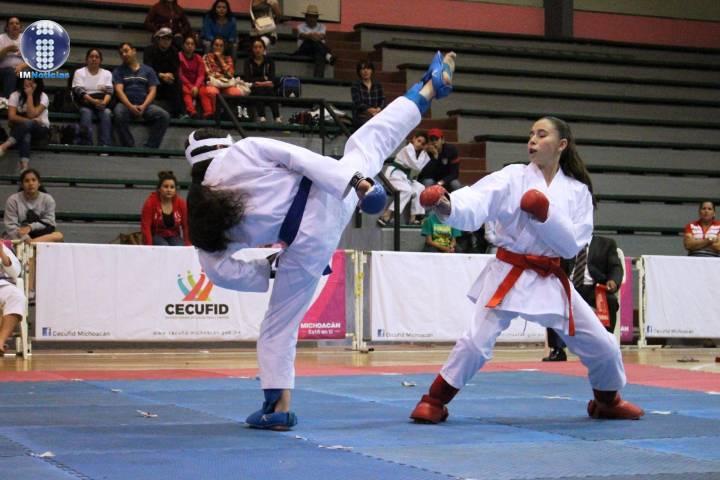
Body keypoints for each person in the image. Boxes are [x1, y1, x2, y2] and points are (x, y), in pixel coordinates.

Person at [185, 51, 456, 430]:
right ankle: (425, 90)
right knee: (368, 143)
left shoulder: (203, 212)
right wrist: (356, 182)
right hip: (326, 197)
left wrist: (269, 268)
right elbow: (300, 159)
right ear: (221, 144)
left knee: (278, 325)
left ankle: (277, 407)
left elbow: (218, 272)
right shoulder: (242, 151)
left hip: (305, 249)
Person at [411, 115, 644, 423]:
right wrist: (447, 205)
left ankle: (608, 400)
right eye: (531, 134)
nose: (532, 139)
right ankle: (434, 400)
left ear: (561, 144)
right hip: (509, 270)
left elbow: (572, 246)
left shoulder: (577, 191)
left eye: (542, 134)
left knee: (603, 345)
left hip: (550, 277)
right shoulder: (513, 177)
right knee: (475, 342)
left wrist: (545, 215)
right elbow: (477, 200)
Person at [545, 235, 624, 361]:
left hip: (594, 288)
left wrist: (613, 281)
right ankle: (558, 350)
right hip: (570, 287)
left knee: (610, 301)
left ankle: (604, 347)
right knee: (553, 299)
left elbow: (616, 267)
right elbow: (558, 266)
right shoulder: (567, 242)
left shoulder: (606, 244)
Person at [112, 42, 170, 149]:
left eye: (126, 51)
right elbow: (119, 91)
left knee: (164, 116)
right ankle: (129, 147)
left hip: (146, 105)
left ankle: (150, 148)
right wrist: (130, 106)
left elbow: (153, 90)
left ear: (134, 51)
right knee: (118, 113)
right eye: (121, 53)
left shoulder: (148, 70)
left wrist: (143, 106)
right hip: (126, 105)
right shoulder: (118, 71)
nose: (124, 54)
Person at [377, 132, 429, 226]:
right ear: (414, 139)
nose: (419, 144)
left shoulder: (416, 153)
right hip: (394, 174)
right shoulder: (408, 149)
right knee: (407, 190)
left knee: (420, 187)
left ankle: (413, 217)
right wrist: (425, 152)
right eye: (419, 141)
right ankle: (387, 214)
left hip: (403, 177)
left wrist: (425, 153)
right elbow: (417, 166)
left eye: (422, 144)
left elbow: (419, 167)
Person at [0, 78, 50, 172]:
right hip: (21, 129)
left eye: (33, 81)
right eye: (28, 79)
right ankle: (24, 167)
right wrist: (30, 121)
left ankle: (4, 146)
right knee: (26, 133)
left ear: (37, 83)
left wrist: (29, 95)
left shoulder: (43, 96)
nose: (30, 82)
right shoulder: (15, 95)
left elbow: (32, 114)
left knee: (28, 126)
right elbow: (11, 117)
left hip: (40, 129)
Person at [4, 168, 63, 244]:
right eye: (27, 181)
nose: (31, 183)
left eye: (34, 180)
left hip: (41, 235)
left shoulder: (48, 199)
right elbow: (11, 226)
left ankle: (31, 243)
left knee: (59, 235)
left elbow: (50, 221)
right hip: (19, 235)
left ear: (39, 183)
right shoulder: (13, 200)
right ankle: (31, 243)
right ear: (22, 185)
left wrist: (30, 227)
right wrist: (25, 237)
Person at [71, 48, 114, 146]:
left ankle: (104, 146)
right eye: (91, 57)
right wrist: (93, 101)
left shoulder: (107, 73)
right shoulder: (79, 72)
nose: (94, 59)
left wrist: (104, 103)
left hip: (102, 103)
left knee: (107, 113)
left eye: (97, 57)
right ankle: (86, 145)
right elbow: (79, 90)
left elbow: (110, 91)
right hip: (85, 102)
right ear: (86, 59)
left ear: (100, 60)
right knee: (86, 113)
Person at [202, 36, 248, 119]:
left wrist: (220, 59)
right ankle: (216, 115)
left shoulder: (228, 58)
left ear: (224, 48)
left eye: (221, 46)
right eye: (216, 45)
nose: (218, 47)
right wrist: (222, 76)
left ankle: (229, 115)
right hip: (213, 83)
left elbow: (230, 74)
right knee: (213, 92)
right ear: (212, 46)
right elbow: (209, 73)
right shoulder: (206, 57)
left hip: (226, 84)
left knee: (236, 93)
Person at [144, 28, 186, 119]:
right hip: (154, 78)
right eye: (164, 38)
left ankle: (179, 112)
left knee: (177, 82)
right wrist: (161, 75)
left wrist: (170, 76)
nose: (166, 41)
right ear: (158, 39)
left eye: (169, 39)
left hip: (167, 80)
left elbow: (175, 69)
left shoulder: (174, 51)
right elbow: (148, 69)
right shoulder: (149, 50)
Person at [141, 170, 190, 246]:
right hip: (156, 236)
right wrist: (149, 247)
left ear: (175, 190)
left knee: (179, 247)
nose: (169, 190)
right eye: (165, 186)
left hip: (174, 236)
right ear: (159, 189)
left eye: (172, 187)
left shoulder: (181, 203)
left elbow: (186, 226)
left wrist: (188, 246)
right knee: (164, 247)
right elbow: (145, 227)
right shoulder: (150, 203)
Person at [243, 38, 281, 124]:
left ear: (264, 49)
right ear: (252, 49)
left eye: (260, 47)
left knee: (270, 91)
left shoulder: (270, 61)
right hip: (254, 87)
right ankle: (262, 116)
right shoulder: (248, 61)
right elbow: (247, 79)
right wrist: (262, 81)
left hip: (267, 86)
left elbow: (272, 78)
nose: (258, 50)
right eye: (255, 47)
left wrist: (260, 82)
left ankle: (277, 117)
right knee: (259, 90)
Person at [0, 241, 26, 355]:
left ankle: (0, 342)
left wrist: (2, 253)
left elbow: (15, 272)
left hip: (1, 284)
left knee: (16, 296)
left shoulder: (3, 247)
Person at [294, 4, 334, 78]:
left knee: (319, 54)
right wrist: (311, 36)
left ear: (317, 17)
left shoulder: (322, 26)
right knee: (311, 42)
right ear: (306, 17)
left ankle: (318, 78)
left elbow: (322, 36)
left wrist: (311, 36)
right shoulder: (300, 26)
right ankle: (328, 55)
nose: (312, 19)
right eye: (310, 16)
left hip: (317, 50)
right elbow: (303, 36)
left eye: (314, 17)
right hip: (304, 49)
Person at [418, 128, 462, 192]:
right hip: (431, 180)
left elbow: (455, 173)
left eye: (436, 139)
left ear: (442, 140)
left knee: (455, 184)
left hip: (445, 180)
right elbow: (425, 174)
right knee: (428, 182)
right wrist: (435, 158)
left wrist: (441, 182)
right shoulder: (425, 152)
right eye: (431, 140)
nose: (434, 142)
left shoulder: (451, 150)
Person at [178, 35, 206, 119]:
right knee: (185, 91)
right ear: (183, 45)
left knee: (204, 91)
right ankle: (192, 111)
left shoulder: (199, 58)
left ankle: (209, 113)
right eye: (187, 43)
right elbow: (180, 74)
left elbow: (201, 75)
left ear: (195, 46)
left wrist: (196, 86)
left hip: (197, 84)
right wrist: (191, 86)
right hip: (184, 83)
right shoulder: (179, 56)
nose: (190, 46)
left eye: (192, 44)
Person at [351, 60, 384, 127]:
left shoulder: (378, 85)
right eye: (363, 69)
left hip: (377, 114)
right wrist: (370, 110)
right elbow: (358, 103)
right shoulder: (355, 85)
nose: (366, 71)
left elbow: (382, 100)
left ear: (372, 71)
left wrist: (379, 109)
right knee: (369, 123)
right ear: (359, 72)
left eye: (368, 69)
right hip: (362, 115)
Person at [0, 16, 27, 99]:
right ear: (7, 27)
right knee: (11, 72)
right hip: (3, 70)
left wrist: (22, 66)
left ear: (20, 27)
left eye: (17, 23)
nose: (14, 25)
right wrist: (7, 50)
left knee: (33, 74)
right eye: (11, 23)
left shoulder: (26, 39)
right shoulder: (1, 38)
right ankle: (7, 101)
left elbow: (33, 59)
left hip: (23, 69)